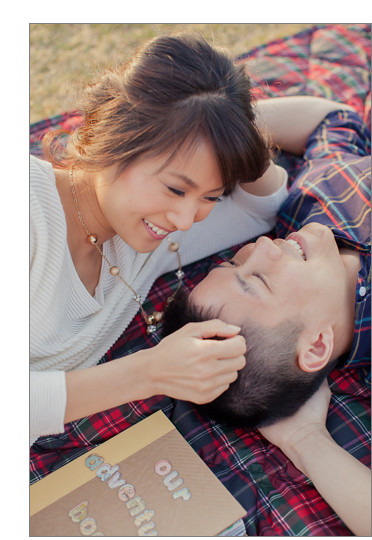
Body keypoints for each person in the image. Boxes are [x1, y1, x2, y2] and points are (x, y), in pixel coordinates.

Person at [30, 33, 293, 447]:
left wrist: (230, 125)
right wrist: (151, 371)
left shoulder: (147, 238)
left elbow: (261, 206)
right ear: (117, 139)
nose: (187, 219)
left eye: (211, 196)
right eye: (175, 188)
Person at [162, 97, 371, 535]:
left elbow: (332, 121)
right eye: (258, 281)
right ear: (316, 345)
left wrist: (218, 124)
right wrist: (306, 440)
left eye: (235, 263)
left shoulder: (309, 205)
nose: (260, 246)